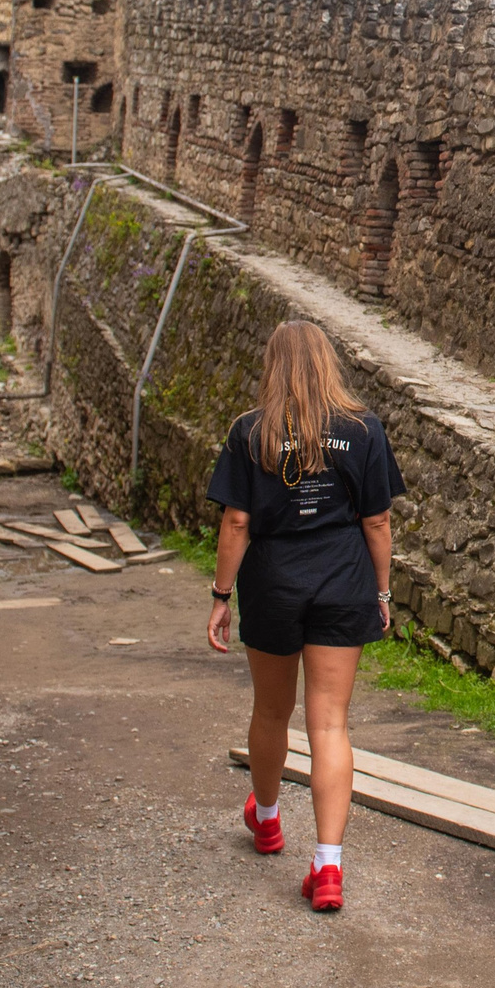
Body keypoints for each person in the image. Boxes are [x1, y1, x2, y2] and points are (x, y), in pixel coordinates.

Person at [204, 319, 404, 912]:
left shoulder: (250, 432)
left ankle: (266, 820)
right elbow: (378, 521)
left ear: (273, 365)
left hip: (274, 581)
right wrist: (383, 592)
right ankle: (328, 867)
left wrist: (221, 595)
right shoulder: (363, 429)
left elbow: (237, 522)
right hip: (343, 580)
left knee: (272, 709)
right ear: (326, 363)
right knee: (330, 724)